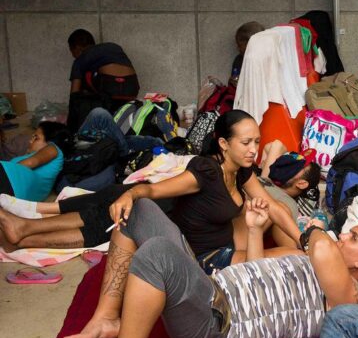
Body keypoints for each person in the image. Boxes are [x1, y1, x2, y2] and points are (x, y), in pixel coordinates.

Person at [63, 198, 358, 338]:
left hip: (218, 325)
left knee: (157, 253)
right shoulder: (307, 257)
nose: (341, 237)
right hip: (212, 290)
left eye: (352, 237)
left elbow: (320, 246)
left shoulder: (349, 295)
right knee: (140, 210)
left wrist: (314, 230)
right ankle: (106, 319)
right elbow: (253, 270)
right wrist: (252, 228)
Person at [0, 111, 301, 271]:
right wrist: (131, 195)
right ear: (224, 143)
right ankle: (25, 226)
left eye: (257, 142)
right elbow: (154, 191)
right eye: (246, 143)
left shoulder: (243, 170)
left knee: (100, 218)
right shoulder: (207, 170)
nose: (253, 150)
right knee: (103, 222)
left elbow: (271, 204)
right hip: (173, 227)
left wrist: (305, 239)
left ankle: (25, 228)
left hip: (193, 234)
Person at [66, 29, 139, 131]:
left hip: (110, 89)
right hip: (132, 88)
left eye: (72, 51)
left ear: (77, 48)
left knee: (84, 82)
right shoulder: (114, 47)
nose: (73, 55)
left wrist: (71, 124)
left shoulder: (80, 59)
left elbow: (74, 95)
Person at [0, 121, 68, 202]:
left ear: (51, 141)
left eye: (36, 138)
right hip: (13, 193)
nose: (30, 141)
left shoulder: (53, 148)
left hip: (10, 182)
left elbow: (31, 162)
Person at [228, 21, 265, 87]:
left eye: (240, 45)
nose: (238, 48)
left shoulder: (268, 60)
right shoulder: (239, 60)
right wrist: (233, 81)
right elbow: (233, 80)